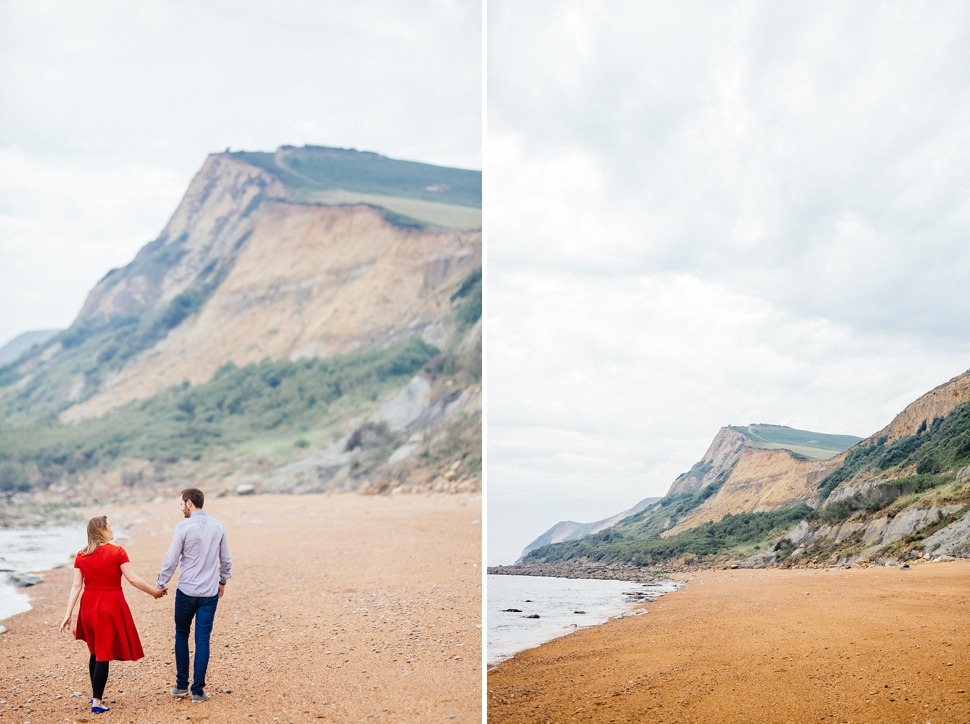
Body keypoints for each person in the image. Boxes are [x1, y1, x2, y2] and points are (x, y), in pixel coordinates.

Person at [59, 515, 167, 714]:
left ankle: (95, 695)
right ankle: (97, 701)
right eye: (109, 526)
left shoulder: (81, 555)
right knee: (103, 653)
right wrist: (154, 592)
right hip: (109, 606)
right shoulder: (117, 551)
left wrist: (69, 613)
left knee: (95, 651)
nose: (112, 528)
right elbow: (132, 579)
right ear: (101, 530)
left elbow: (76, 585)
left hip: (89, 607)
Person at [157, 487, 232, 703]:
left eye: (181, 504)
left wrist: (160, 583)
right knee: (203, 640)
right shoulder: (218, 526)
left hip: (186, 592)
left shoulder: (183, 527)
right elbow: (226, 559)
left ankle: (181, 686)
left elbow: (171, 560)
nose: (181, 508)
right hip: (209, 593)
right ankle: (198, 691)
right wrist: (222, 581)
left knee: (181, 634)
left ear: (189, 502)